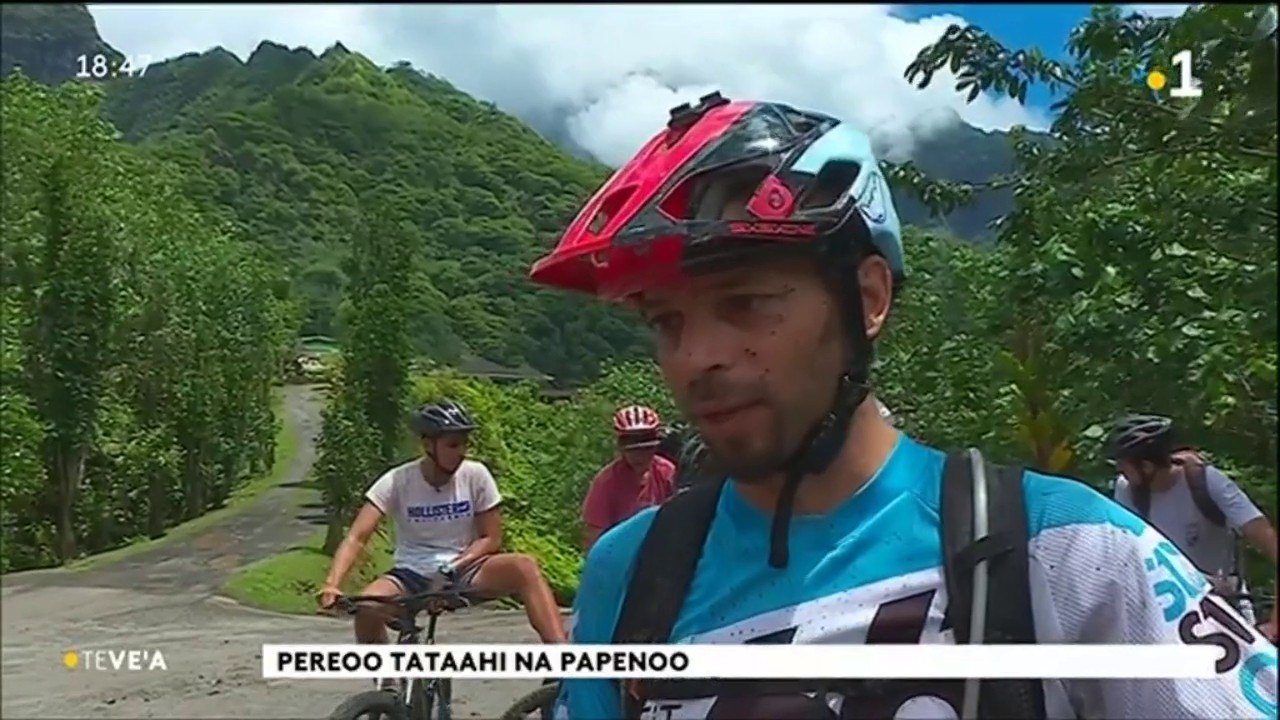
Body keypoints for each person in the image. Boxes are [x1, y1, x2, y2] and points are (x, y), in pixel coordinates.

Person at [527, 93, 1276, 719]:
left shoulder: (1071, 550)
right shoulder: (630, 570)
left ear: (868, 298)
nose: (697, 358)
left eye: (745, 303)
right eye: (667, 321)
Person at [318, 399, 567, 668]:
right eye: (452, 445)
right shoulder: (398, 480)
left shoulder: (476, 475)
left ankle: (563, 659)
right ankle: (386, 685)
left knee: (524, 566)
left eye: (464, 444)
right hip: (411, 572)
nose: (460, 452)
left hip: (465, 567)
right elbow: (357, 536)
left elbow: (491, 538)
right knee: (368, 608)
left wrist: (451, 568)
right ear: (428, 445)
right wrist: (333, 583)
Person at [1107, 413, 1278, 638]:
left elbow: (1271, 545)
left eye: (1125, 467)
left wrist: (1274, 627)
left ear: (1147, 467)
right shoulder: (1127, 491)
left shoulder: (1207, 482)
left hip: (1223, 605)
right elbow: (1124, 557)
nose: (1121, 473)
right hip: (1167, 609)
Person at [580, 405, 676, 551]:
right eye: (633, 450)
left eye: (646, 448)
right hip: (620, 554)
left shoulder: (667, 472)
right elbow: (594, 537)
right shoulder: (606, 482)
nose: (639, 456)